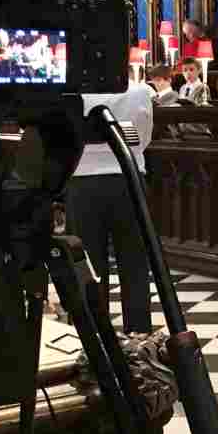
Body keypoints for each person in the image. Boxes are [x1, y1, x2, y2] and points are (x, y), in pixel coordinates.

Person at [66, 84, 156, 333]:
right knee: (134, 262)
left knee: (88, 264)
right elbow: (143, 138)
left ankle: (94, 334)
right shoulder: (140, 92)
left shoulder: (74, 93)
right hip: (128, 177)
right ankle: (138, 332)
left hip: (83, 179)